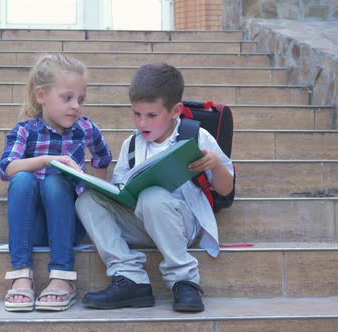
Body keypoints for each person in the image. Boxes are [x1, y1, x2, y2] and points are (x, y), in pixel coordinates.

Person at [75, 63, 234, 313]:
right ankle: (130, 278)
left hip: (184, 225)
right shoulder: (131, 144)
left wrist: (215, 165)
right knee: (87, 200)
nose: (141, 122)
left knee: (153, 197)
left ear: (175, 111)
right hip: (142, 220)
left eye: (151, 115)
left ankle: (184, 281)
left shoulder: (197, 137)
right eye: (136, 114)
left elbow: (225, 191)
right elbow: (121, 188)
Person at [0, 53, 112, 312]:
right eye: (67, 98)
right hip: (32, 227)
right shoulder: (25, 130)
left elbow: (103, 157)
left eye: (80, 99)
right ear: (41, 96)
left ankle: (62, 277)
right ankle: (21, 274)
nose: (75, 106)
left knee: (56, 183)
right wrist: (49, 160)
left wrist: (95, 195)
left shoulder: (85, 129)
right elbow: (6, 169)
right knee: (23, 179)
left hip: (69, 225)